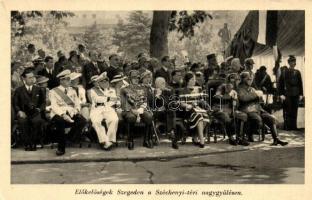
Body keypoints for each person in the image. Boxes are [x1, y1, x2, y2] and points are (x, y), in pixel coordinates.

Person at [237, 72, 288, 146]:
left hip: (258, 109)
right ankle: (248, 135)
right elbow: (243, 98)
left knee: (271, 118)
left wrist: (261, 99)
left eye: (251, 79)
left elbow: (259, 100)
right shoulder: (239, 89)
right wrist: (256, 95)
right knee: (258, 120)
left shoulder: (252, 89)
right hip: (247, 110)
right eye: (248, 78)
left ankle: (276, 139)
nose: (250, 80)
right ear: (243, 79)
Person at [49, 70, 88, 156]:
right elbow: (54, 106)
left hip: (71, 112)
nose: (69, 81)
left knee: (83, 121)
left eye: (69, 79)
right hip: (58, 113)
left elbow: (77, 103)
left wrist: (76, 110)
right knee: (60, 122)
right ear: (61, 81)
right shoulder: (53, 91)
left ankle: (69, 138)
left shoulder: (72, 90)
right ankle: (61, 148)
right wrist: (63, 115)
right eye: (67, 79)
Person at [13, 67, 46, 151]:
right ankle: (27, 143)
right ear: (24, 78)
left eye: (33, 77)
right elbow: (15, 103)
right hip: (23, 113)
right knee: (22, 122)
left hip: (35, 113)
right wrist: (19, 111)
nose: (32, 79)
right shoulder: (18, 90)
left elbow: (43, 102)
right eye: (30, 77)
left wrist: (39, 109)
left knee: (37, 121)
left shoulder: (39, 89)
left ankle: (33, 143)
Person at [120, 70, 154, 150]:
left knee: (149, 116)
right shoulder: (124, 89)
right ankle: (130, 140)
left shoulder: (143, 88)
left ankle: (146, 140)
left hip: (140, 109)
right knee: (131, 117)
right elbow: (123, 103)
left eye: (137, 78)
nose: (136, 79)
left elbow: (145, 101)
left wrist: (141, 109)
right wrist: (132, 110)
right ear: (129, 78)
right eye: (133, 78)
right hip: (128, 110)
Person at [214, 73, 249, 146]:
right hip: (220, 108)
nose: (234, 81)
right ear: (228, 79)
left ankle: (240, 137)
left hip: (231, 109)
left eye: (236, 79)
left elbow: (237, 104)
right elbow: (217, 96)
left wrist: (235, 99)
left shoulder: (236, 89)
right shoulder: (222, 87)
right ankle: (231, 137)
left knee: (243, 116)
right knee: (227, 118)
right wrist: (228, 94)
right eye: (232, 79)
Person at [177, 73, 210, 148]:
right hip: (187, 110)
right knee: (199, 116)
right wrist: (187, 105)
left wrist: (203, 103)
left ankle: (195, 136)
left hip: (197, 108)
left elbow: (201, 100)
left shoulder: (198, 89)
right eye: (192, 79)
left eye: (194, 79)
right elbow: (181, 102)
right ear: (187, 81)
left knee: (205, 116)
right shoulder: (183, 90)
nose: (194, 81)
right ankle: (202, 140)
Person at [89, 72, 119, 150]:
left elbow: (114, 100)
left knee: (114, 119)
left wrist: (106, 100)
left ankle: (109, 140)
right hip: (97, 109)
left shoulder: (112, 90)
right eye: (102, 81)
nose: (105, 83)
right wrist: (108, 98)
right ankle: (104, 141)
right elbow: (97, 99)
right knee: (96, 122)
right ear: (99, 83)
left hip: (109, 108)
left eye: (106, 81)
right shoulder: (93, 90)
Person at [278, 55, 304, 130]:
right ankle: (287, 126)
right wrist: (281, 94)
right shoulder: (284, 72)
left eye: (294, 61)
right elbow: (280, 84)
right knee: (287, 110)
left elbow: (300, 84)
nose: (293, 63)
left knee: (294, 110)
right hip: (287, 94)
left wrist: (301, 94)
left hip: (296, 93)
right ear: (288, 63)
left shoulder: (297, 72)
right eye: (292, 61)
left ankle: (294, 126)